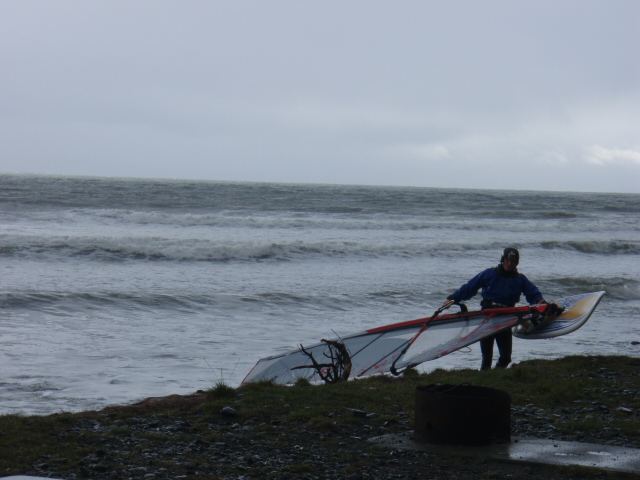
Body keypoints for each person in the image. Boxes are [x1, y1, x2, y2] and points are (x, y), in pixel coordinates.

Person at [443, 247, 546, 370]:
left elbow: (533, 294)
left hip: (505, 319)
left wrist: (542, 303)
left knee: (506, 357)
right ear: (503, 259)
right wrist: (453, 298)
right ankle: (485, 379)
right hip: (487, 318)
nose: (510, 263)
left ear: (517, 263)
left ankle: (496, 374)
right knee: (487, 357)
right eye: (508, 260)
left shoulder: (520, 279)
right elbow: (470, 287)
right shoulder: (489, 274)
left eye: (513, 261)